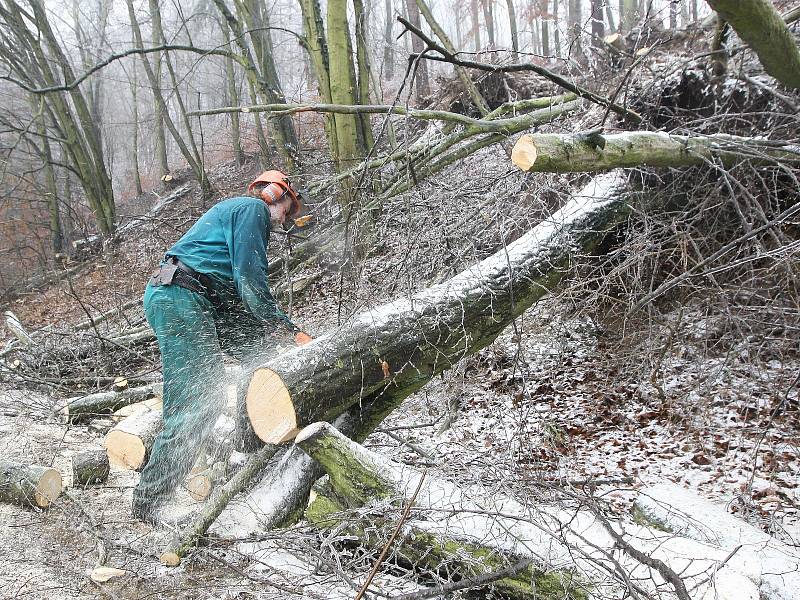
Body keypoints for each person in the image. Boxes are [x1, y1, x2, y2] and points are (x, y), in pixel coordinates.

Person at [132, 170, 311, 524]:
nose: (284, 221)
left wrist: (269, 340)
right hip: (181, 297)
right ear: (276, 194)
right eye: (287, 211)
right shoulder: (252, 210)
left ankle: (249, 451)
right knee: (201, 401)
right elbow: (250, 281)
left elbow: (233, 293)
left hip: (198, 298)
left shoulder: (234, 218)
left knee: (257, 355)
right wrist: (289, 330)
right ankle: (150, 501)